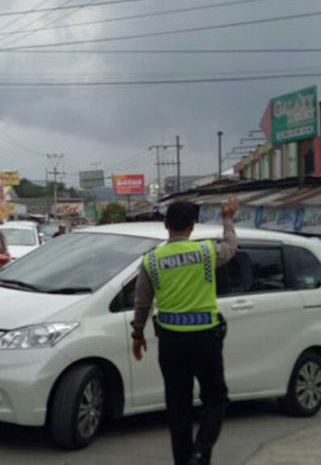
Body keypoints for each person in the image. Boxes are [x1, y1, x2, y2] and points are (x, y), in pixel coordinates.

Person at [131, 196, 240, 465]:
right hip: (206, 338)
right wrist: (227, 218)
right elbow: (231, 246)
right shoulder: (206, 252)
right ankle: (201, 452)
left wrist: (137, 335)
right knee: (216, 399)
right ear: (192, 227)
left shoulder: (151, 260)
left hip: (171, 341)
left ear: (165, 225)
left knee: (178, 407)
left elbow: (142, 302)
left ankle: (184, 461)